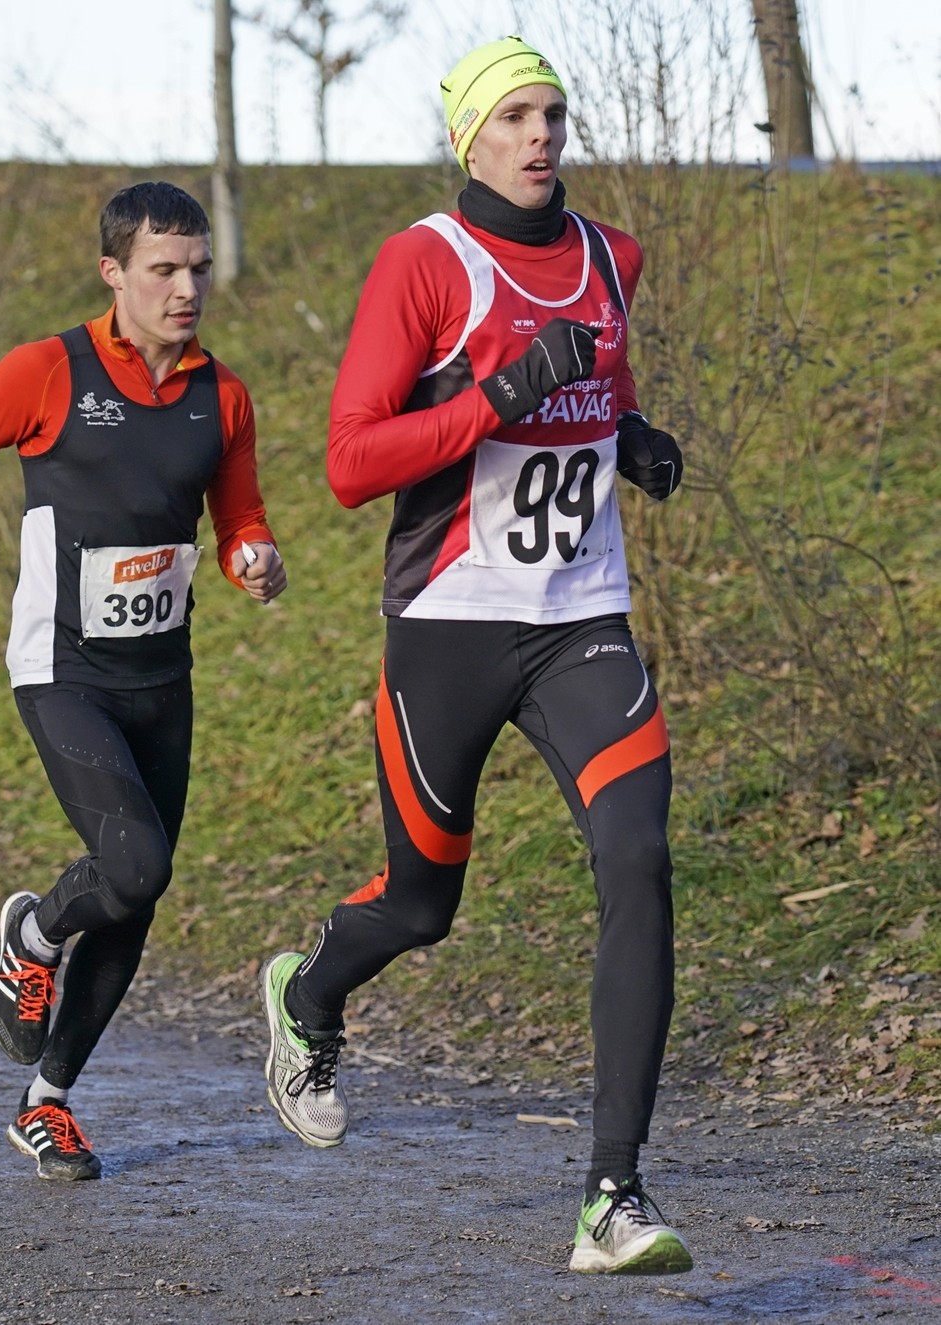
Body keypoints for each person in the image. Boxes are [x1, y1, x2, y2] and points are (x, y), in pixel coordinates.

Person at [257, 38, 692, 1275]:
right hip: (447, 626)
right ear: (470, 138)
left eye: (553, 111)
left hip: (581, 621)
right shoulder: (423, 263)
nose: (542, 133)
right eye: (515, 115)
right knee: (421, 900)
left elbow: (594, 389)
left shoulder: (612, 257)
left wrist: (634, 438)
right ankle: (307, 993)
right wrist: (496, 397)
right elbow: (352, 463)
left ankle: (613, 1195)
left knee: (639, 854)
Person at [0, 181, 287, 1181]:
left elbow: (239, 515)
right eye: (164, 269)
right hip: (62, 667)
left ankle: (47, 1100)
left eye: (198, 267)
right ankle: (30, 930)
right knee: (136, 863)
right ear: (113, 272)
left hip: (164, 672)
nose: (186, 286)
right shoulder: (48, 370)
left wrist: (256, 556)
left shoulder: (222, 392)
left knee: (135, 896)